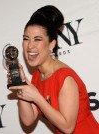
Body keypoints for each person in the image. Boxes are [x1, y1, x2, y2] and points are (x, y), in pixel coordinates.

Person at [9, 5, 99, 134]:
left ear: (51, 44)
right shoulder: (37, 77)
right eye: (26, 39)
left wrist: (37, 97)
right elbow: (28, 120)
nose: (30, 46)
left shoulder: (64, 78)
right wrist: (21, 84)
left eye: (37, 39)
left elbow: (68, 128)